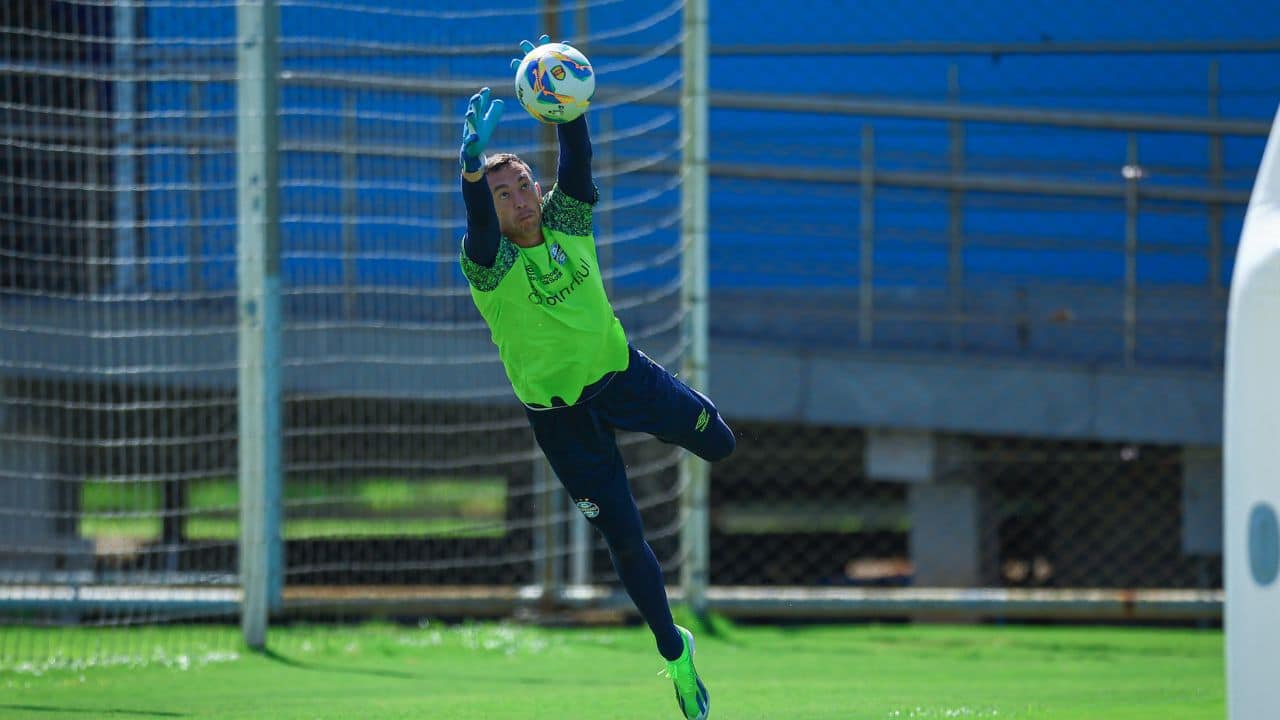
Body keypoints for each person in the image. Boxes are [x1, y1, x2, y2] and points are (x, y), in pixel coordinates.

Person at [456, 35, 735, 720]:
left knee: (721, 444)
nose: (519, 196)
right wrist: (470, 172)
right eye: (503, 192)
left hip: (624, 378)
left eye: (523, 183)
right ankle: (675, 653)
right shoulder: (488, 266)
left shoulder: (566, 221)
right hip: (559, 417)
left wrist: (564, 101)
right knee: (625, 535)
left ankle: (677, 404)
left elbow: (576, 158)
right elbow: (478, 221)